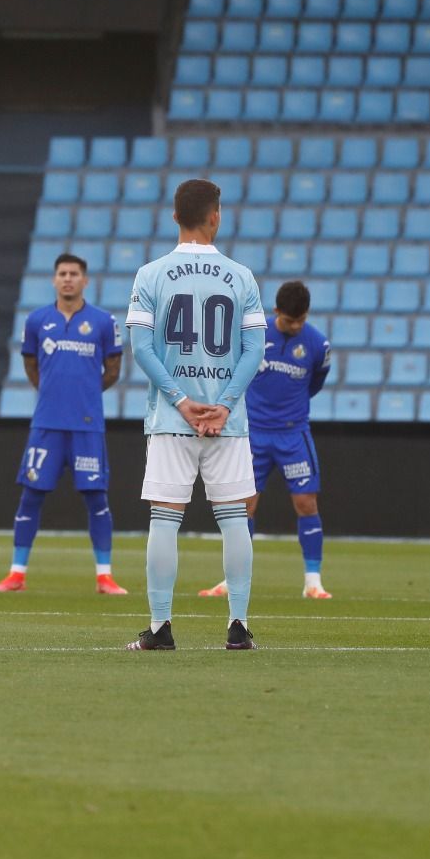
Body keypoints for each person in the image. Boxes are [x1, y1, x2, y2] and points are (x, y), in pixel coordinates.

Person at [124, 179, 266, 652]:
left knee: (165, 519)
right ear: (215, 216)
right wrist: (222, 404)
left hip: (171, 419)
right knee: (233, 521)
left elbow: (141, 348)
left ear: (174, 217)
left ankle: (161, 629)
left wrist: (182, 401)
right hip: (228, 423)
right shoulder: (242, 276)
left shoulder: (150, 275)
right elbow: (254, 350)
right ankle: (239, 627)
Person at [0, 252, 126, 595]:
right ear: (54, 279)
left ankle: (104, 576)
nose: (68, 278)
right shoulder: (37, 320)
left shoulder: (104, 321)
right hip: (47, 424)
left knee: (96, 498)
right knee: (31, 495)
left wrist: (85, 396)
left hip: (86, 426)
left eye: (74, 273)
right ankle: (16, 573)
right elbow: (31, 364)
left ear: (85, 280)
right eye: (62, 273)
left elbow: (113, 369)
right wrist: (54, 393)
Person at [200, 279, 331, 599]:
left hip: (293, 434)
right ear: (275, 312)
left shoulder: (318, 344)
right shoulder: (254, 336)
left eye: (301, 320)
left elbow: (315, 383)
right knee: (244, 506)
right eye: (289, 321)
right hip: (253, 433)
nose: (295, 326)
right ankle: (233, 580)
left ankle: (313, 582)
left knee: (306, 502)